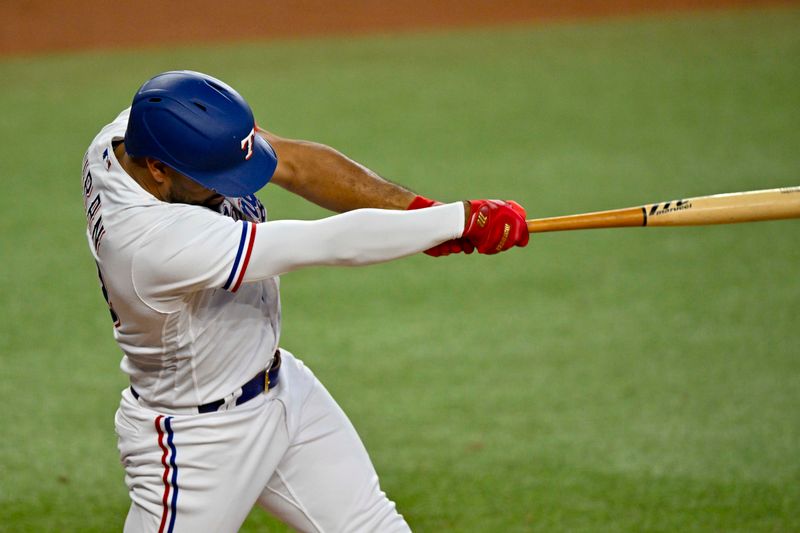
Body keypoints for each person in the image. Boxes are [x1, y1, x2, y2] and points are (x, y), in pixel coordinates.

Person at [82, 70, 529, 533]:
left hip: (282, 391)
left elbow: (295, 164)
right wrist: (454, 220)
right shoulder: (149, 244)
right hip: (195, 444)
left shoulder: (133, 132)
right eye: (215, 180)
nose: (234, 187)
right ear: (157, 168)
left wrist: (421, 213)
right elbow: (328, 242)